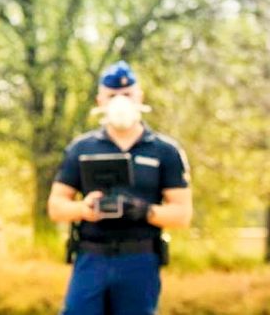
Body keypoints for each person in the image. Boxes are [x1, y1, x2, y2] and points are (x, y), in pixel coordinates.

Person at [48, 61, 193, 315]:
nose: (120, 101)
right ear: (100, 101)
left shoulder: (164, 151)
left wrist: (144, 211)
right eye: (112, 95)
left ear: (140, 97)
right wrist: (84, 209)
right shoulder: (82, 148)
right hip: (91, 257)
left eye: (127, 94)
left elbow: (182, 214)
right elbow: (56, 207)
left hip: (139, 258)